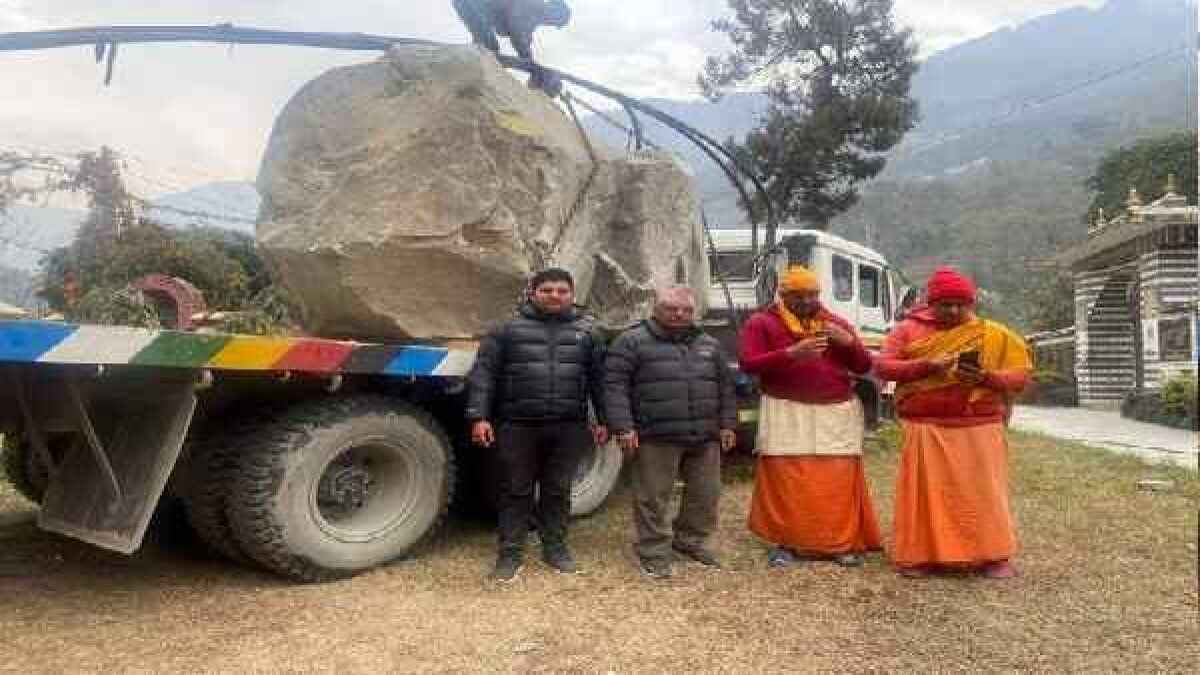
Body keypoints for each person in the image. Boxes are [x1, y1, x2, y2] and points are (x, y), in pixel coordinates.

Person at [874, 266, 1032, 579]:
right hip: (926, 427)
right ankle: (920, 556)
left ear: (971, 303)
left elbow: (1021, 375)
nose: (954, 310)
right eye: (946, 304)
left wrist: (986, 377)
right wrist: (925, 366)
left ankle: (993, 555)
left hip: (979, 427)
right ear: (931, 303)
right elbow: (883, 367)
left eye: (961, 304)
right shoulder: (907, 330)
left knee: (984, 494)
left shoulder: (993, 334)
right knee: (926, 495)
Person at [466, 267, 608, 582]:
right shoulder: (506, 330)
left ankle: (555, 548)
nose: (554, 296)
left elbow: (600, 381)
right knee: (515, 490)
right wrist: (479, 417)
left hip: (569, 426)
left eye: (561, 291)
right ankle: (510, 553)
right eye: (547, 290)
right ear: (533, 293)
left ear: (572, 295)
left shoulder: (589, 332)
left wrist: (604, 420)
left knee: (558, 490)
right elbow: (484, 374)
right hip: (517, 425)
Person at [738, 266, 883, 568]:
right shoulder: (761, 323)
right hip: (785, 409)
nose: (807, 301)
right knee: (787, 478)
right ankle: (786, 543)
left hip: (835, 411)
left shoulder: (834, 323)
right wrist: (791, 353)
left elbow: (863, 365)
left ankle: (839, 543)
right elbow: (749, 364)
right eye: (798, 296)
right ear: (783, 296)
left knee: (837, 478)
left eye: (813, 295)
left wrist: (850, 343)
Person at [605, 286, 738, 579]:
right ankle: (652, 551)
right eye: (671, 308)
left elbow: (725, 387)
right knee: (652, 497)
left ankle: (689, 540)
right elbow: (614, 387)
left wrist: (728, 424)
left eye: (686, 310)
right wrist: (623, 427)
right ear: (655, 308)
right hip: (655, 435)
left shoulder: (709, 344)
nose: (679, 314)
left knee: (706, 494)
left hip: (704, 435)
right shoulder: (631, 341)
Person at [451, 0, 571, 96]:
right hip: (470, 3)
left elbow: (523, 37)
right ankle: (470, 81)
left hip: (471, 6)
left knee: (485, 47)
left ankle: (469, 76)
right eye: (556, 22)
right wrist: (530, 63)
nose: (552, 24)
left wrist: (532, 65)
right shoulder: (533, 5)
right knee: (489, 48)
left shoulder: (534, 17)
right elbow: (516, 29)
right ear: (554, 11)